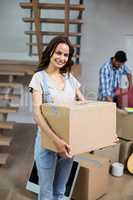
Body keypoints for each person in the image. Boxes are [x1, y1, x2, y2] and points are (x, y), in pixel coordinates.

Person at [29, 36, 86, 200]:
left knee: (60, 192)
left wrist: (104, 131)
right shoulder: (39, 78)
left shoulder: (69, 78)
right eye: (58, 53)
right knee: (46, 194)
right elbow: (37, 115)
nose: (62, 58)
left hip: (68, 143)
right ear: (51, 51)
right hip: (47, 142)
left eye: (66, 55)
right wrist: (56, 141)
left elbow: (86, 106)